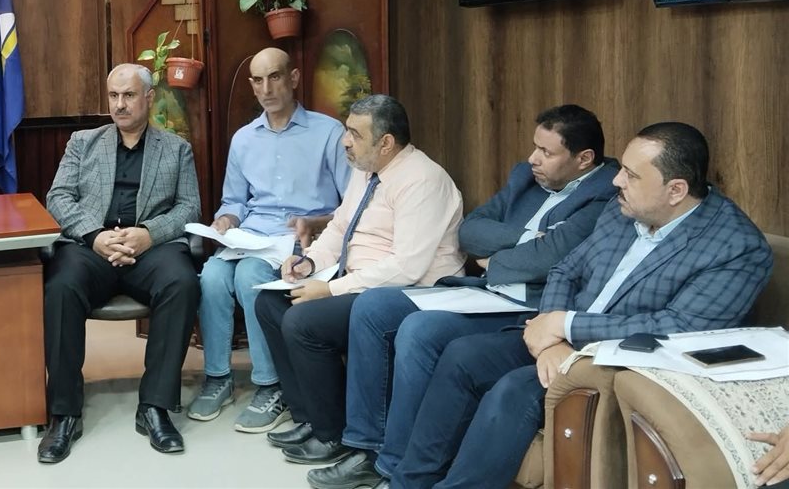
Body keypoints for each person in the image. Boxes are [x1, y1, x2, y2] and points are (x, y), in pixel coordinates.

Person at [387, 122, 773, 489]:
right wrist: (553, 336)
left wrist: (566, 326)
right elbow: (565, 269)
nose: (617, 181)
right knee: (462, 355)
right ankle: (408, 483)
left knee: (513, 391)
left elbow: (678, 326)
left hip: (621, 363)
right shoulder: (626, 208)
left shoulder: (735, 247)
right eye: (622, 169)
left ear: (675, 190)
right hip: (562, 339)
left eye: (631, 175)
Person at [308, 105, 619, 489]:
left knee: (420, 331)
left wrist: (497, 260)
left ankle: (392, 464)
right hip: (485, 292)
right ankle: (366, 443)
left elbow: (550, 257)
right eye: (534, 146)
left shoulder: (605, 195)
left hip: (529, 306)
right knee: (373, 307)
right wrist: (527, 238)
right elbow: (471, 231)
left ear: (584, 159)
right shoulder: (527, 177)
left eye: (546, 152)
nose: (532, 158)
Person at [254, 94, 465, 465]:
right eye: (347, 130)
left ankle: (332, 434)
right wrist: (309, 262)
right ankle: (311, 417)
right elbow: (340, 226)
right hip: (360, 282)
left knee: (303, 322)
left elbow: (407, 267)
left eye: (355, 134)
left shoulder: (422, 180)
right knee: (270, 303)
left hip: (407, 293)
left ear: (386, 142)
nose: (345, 141)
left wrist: (330, 288)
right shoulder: (366, 169)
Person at [39, 63, 201, 463]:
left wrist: (148, 233)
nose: (120, 104)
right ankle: (64, 413)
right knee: (61, 286)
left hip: (150, 250)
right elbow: (58, 197)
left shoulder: (176, 148)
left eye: (128, 95)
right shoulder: (83, 143)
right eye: (113, 95)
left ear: (149, 98)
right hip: (92, 247)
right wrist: (95, 236)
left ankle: (155, 407)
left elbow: (189, 207)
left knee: (182, 283)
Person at [189, 47, 350, 433]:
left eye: (275, 77)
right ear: (251, 85)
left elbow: (353, 205)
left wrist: (315, 221)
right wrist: (226, 218)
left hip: (302, 240)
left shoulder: (329, 133)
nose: (266, 88)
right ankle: (218, 377)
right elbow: (234, 200)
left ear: (293, 78)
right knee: (211, 277)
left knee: (249, 276)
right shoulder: (244, 139)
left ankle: (270, 384)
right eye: (258, 80)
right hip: (251, 236)